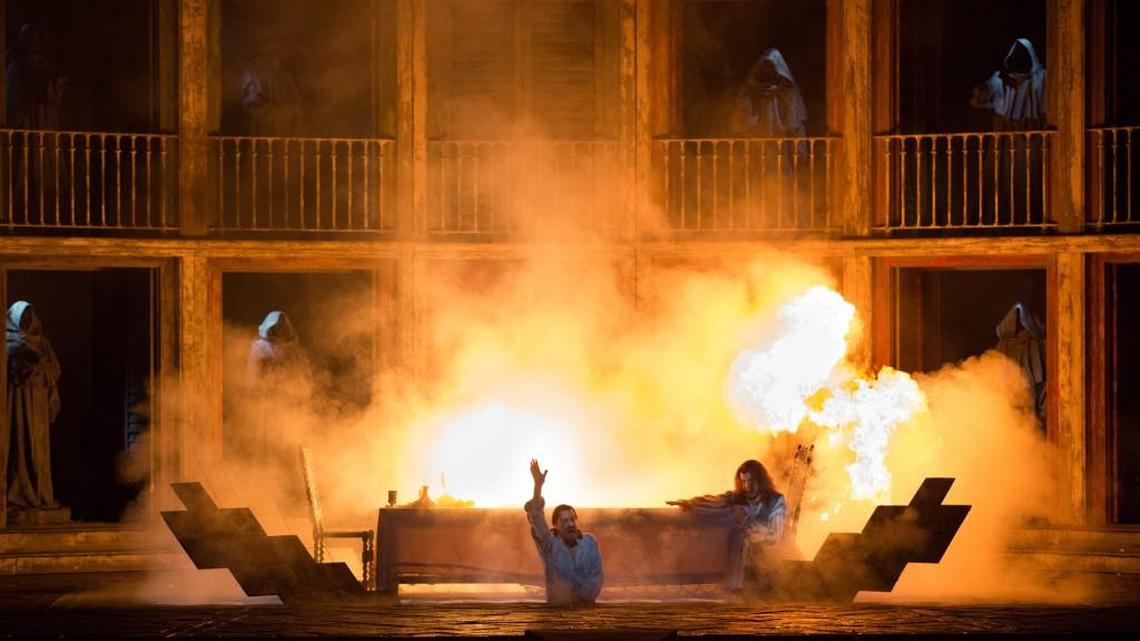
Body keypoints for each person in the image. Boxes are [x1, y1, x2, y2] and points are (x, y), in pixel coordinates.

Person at [668, 459, 787, 593]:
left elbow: (774, 536)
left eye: (751, 482)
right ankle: (734, 588)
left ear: (761, 480)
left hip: (768, 569)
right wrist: (690, 503)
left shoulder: (776, 501)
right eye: (743, 481)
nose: (747, 486)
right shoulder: (737, 498)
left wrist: (745, 522)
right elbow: (716, 501)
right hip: (741, 572)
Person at [4, 301, 63, 513]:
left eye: (30, 316)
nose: (27, 320)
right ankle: (19, 494)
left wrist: (40, 365)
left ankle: (40, 495)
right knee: (20, 444)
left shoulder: (43, 342)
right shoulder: (7, 340)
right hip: (18, 402)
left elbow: (54, 369)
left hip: (38, 401)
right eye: (23, 317)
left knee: (39, 450)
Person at [524, 458, 603, 605]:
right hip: (556, 613)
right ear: (556, 525)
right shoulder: (550, 544)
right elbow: (537, 519)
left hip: (588, 612)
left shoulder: (589, 542)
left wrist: (579, 598)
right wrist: (538, 487)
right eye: (565, 521)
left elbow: (597, 578)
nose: (571, 524)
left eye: (573, 519)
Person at [971, 38, 1046, 131]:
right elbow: (989, 88)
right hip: (1006, 128)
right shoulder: (1001, 77)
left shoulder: (1042, 77)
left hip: (1034, 128)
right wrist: (982, 91)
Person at [994, 302, 1046, 426]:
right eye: (1016, 320)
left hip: (1032, 402)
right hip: (1007, 405)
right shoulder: (1002, 346)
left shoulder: (1037, 345)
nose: (1019, 324)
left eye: (1021, 319)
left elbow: (1043, 382)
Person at [737, 48, 807, 138]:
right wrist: (762, 91)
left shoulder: (784, 79)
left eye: (770, 65)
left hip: (781, 116)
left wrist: (776, 91)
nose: (768, 68)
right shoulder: (760, 77)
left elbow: (788, 97)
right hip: (765, 116)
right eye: (766, 65)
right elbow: (751, 88)